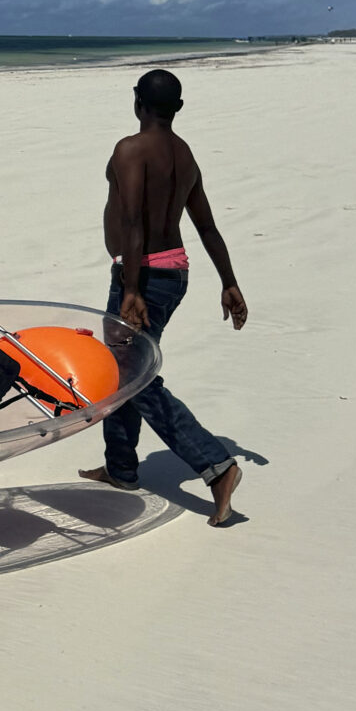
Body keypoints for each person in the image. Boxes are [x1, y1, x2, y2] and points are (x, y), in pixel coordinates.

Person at [80, 68, 248, 526]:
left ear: (137, 101)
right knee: (121, 372)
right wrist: (228, 281)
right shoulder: (184, 154)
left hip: (143, 277)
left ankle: (217, 467)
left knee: (136, 377)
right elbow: (206, 226)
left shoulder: (130, 150)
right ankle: (121, 469)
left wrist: (131, 287)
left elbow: (133, 221)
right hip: (173, 273)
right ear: (177, 107)